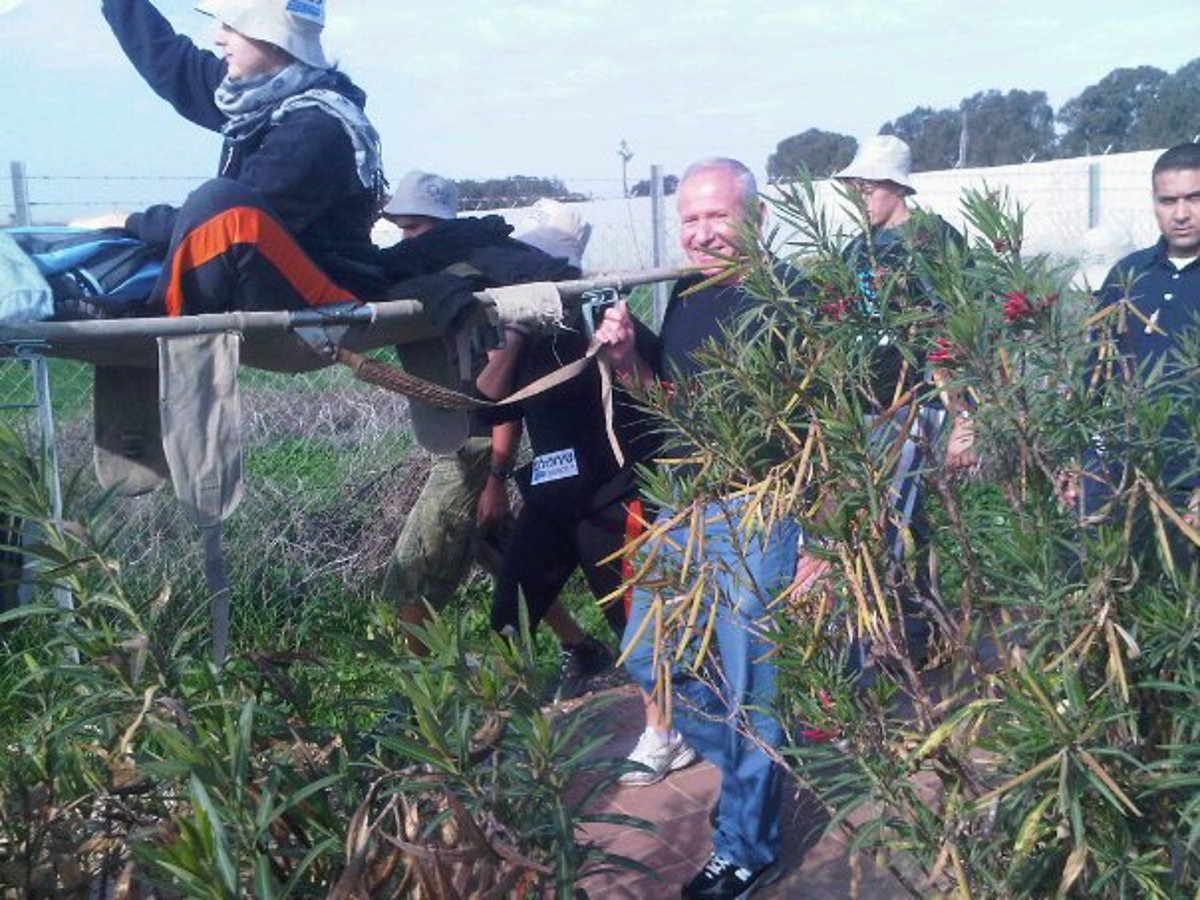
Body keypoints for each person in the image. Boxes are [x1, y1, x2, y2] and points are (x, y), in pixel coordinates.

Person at [595, 158, 802, 897]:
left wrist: (831, 546)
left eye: (718, 216)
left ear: (759, 216)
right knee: (649, 657)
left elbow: (837, 423)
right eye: (689, 219)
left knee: (753, 683)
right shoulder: (685, 291)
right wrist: (625, 360)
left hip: (760, 512)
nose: (703, 233)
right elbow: (669, 407)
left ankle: (748, 845)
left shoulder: (793, 298)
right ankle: (758, 759)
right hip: (680, 505)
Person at [377, 179, 589, 654]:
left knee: (418, 568)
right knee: (504, 555)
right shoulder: (436, 274)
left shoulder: (475, 284)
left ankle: (412, 693)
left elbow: (499, 395)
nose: (406, 240)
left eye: (414, 228)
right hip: (458, 441)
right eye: (400, 230)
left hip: (469, 449)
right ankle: (581, 648)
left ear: (440, 222)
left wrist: (495, 475)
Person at [100, 0, 386, 316]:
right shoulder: (259, 98)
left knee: (220, 200)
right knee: (137, 261)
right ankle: (124, 326)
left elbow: (230, 220)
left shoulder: (318, 127)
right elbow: (171, 63)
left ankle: (143, 330)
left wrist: (131, 222)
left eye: (231, 26)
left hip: (328, 293)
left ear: (274, 39)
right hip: (268, 273)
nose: (217, 38)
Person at [829, 134, 968, 672]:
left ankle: (874, 648)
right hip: (869, 404)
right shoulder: (854, 249)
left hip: (918, 401)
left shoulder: (931, 240)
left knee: (886, 522)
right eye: (856, 187)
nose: (860, 195)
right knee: (902, 520)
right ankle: (923, 630)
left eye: (867, 186)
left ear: (894, 185)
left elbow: (950, 330)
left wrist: (964, 416)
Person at [1086, 143, 1200, 533]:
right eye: (1169, 201)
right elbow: (1093, 377)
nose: (1181, 213)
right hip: (1122, 475)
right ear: (1154, 202)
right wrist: (1082, 461)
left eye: (1194, 198)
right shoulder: (1127, 275)